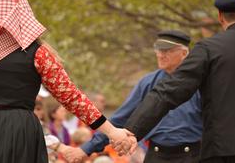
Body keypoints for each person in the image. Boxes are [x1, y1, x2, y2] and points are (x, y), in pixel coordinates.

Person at [0, 0, 133, 163]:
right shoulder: (38, 53)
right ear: (24, 12)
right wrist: (112, 132)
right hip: (20, 131)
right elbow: (71, 97)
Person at [122, 0, 235, 163]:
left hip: (220, 151)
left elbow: (168, 91)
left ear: (220, 16)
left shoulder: (208, 49)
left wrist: (132, 130)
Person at [71, 31, 202, 163]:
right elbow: (120, 118)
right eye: (158, 50)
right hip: (156, 155)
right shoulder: (148, 82)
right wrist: (86, 149)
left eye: (167, 51)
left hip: (192, 155)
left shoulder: (200, 83)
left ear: (184, 53)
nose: (160, 55)